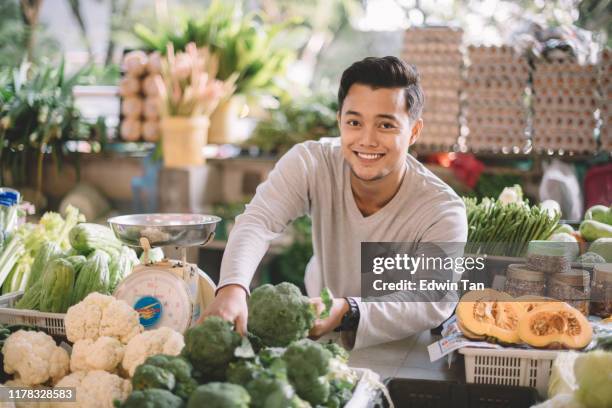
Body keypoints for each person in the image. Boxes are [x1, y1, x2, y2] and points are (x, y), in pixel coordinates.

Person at [203, 56, 467, 349]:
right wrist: (232, 286)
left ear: (414, 131)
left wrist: (347, 310)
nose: (367, 140)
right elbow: (259, 220)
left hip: (402, 349)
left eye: (386, 125)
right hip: (322, 340)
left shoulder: (442, 210)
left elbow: (431, 299)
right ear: (339, 120)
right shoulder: (311, 162)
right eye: (354, 122)